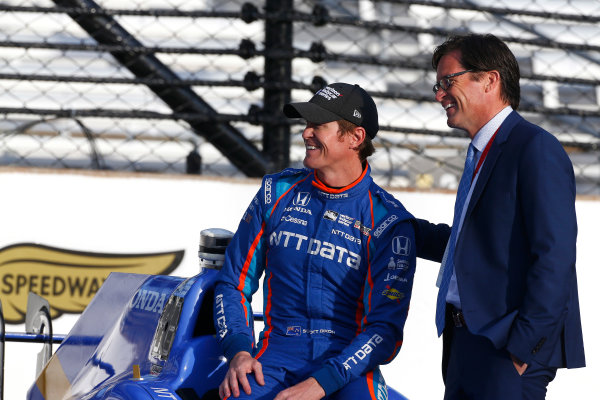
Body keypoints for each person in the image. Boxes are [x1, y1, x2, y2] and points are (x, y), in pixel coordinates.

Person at [213, 82, 417, 400]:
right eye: (307, 124)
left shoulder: (389, 221)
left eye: (318, 125)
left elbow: (385, 331)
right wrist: (239, 351)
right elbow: (233, 284)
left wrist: (321, 383)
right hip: (273, 356)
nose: (306, 133)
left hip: (349, 367)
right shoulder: (275, 192)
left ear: (355, 137)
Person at [415, 33, 585, 399]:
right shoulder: (483, 151)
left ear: (490, 80)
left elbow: (555, 257)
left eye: (448, 82)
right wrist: (399, 228)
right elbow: (476, 245)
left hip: (506, 347)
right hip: (465, 343)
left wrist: (524, 347)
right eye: (437, 84)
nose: (439, 95)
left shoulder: (534, 147)